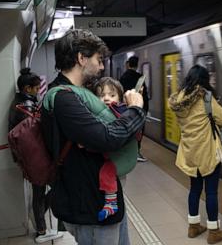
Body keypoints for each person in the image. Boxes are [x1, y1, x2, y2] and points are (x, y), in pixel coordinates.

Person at [42, 29, 145, 245]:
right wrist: (135, 110)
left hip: (101, 201)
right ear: (81, 58)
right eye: (98, 60)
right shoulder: (64, 98)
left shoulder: (79, 93)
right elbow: (107, 138)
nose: (100, 67)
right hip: (91, 207)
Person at [168, 65, 222, 244]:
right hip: (207, 152)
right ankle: (214, 231)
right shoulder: (206, 98)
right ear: (204, 80)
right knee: (211, 192)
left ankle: (193, 226)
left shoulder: (179, 98)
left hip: (190, 151)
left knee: (194, 189)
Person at [8, 68, 64, 244]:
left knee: (39, 192)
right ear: (27, 88)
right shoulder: (26, 107)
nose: (38, 90)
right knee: (49, 189)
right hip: (36, 157)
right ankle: (41, 229)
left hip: (30, 157)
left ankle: (39, 220)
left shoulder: (19, 103)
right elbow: (37, 134)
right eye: (36, 88)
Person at [120, 56, 149, 162]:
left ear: (128, 65)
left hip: (125, 107)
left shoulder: (123, 77)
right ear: (137, 65)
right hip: (138, 107)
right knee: (139, 131)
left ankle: (127, 151)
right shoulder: (140, 78)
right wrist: (144, 109)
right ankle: (136, 152)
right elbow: (144, 96)